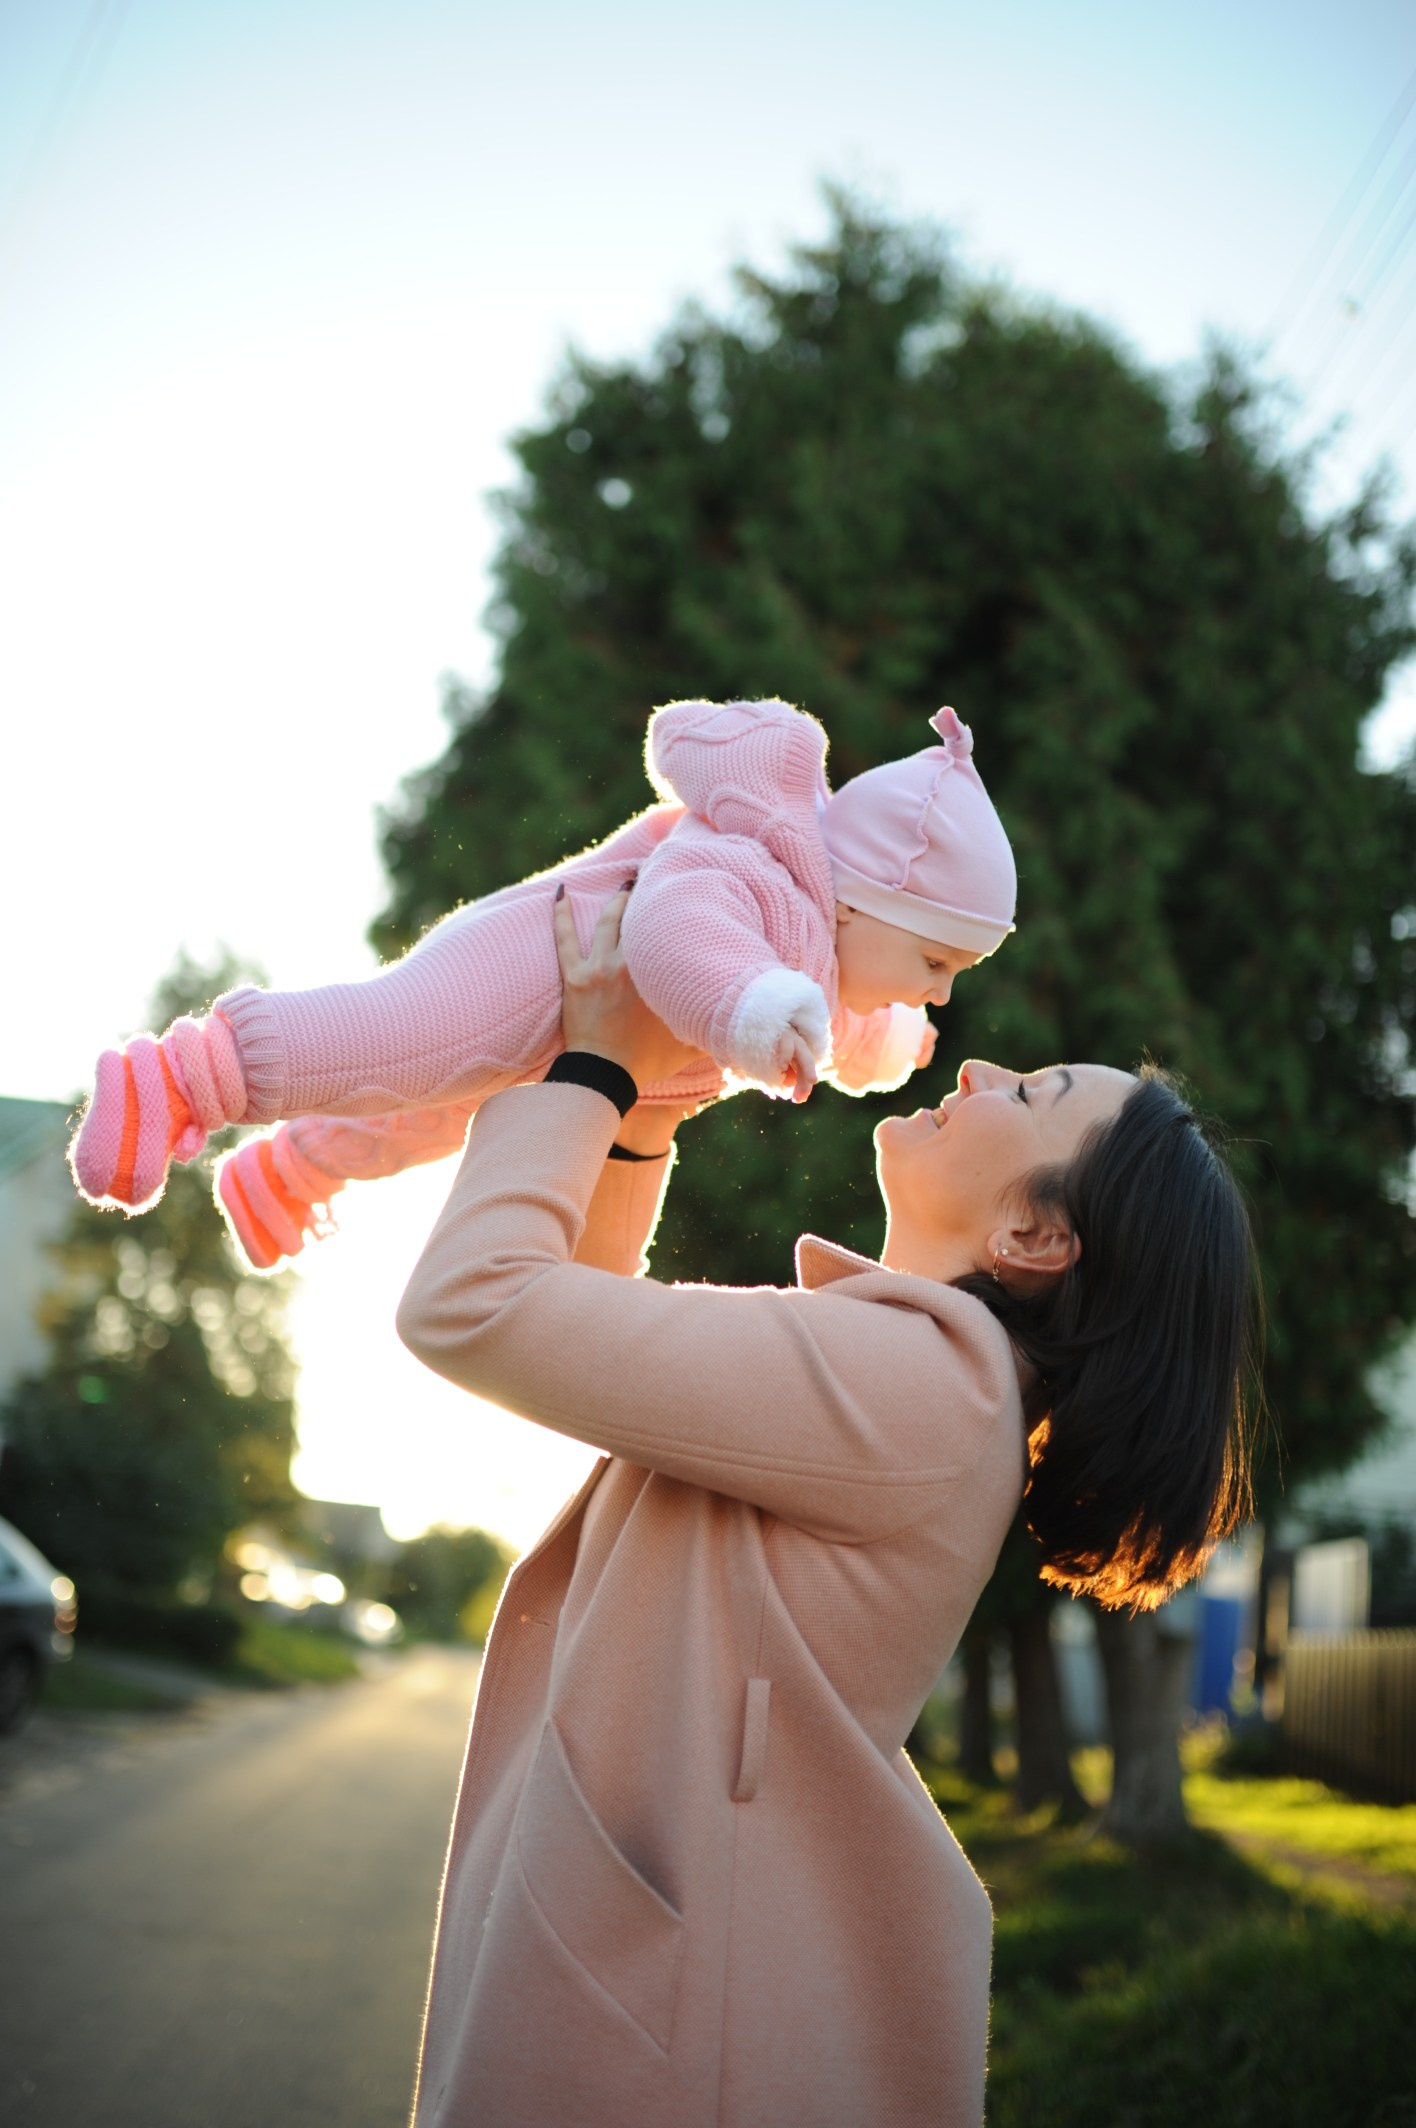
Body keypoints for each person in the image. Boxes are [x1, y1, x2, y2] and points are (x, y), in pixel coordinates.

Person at [391, 889, 1258, 2128]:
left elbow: (472, 1304)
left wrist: (591, 1065)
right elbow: (578, 1333)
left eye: (1029, 1096)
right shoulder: (921, 1380)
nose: (985, 1067)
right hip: (657, 1999)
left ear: (1034, 1232)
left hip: (663, 2039)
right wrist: (632, 1109)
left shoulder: (922, 1386)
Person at [67, 696, 1016, 1269]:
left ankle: (289, 1169)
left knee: (423, 1120)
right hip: (536, 964)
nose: (937, 991)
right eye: (935, 965)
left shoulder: (825, 948)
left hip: (576, 1044)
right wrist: (748, 1011)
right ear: (864, 901)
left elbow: (842, 1032)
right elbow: (674, 932)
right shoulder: (750, 863)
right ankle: (177, 1076)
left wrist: (894, 1039)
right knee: (395, 1035)